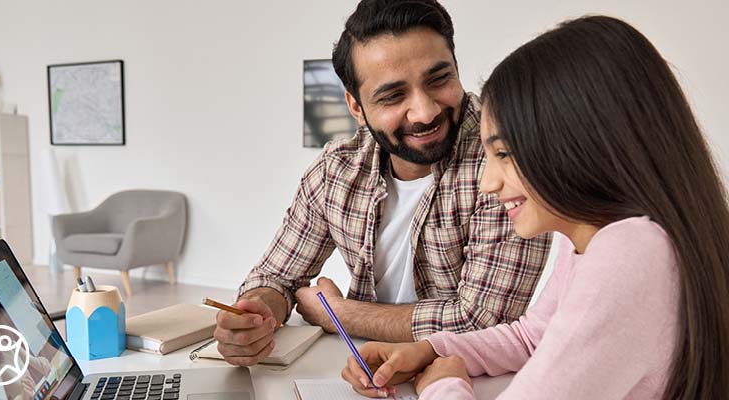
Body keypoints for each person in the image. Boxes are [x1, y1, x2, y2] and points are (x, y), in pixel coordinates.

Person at [340, 15, 729, 399]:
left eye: (505, 153)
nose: (488, 182)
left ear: (581, 142)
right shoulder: (591, 234)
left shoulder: (630, 253)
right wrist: (433, 351)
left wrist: (442, 384)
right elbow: (531, 336)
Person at [213, 0, 552, 367]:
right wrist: (256, 314)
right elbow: (276, 275)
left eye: (439, 79)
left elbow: (483, 320)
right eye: (393, 96)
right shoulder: (336, 170)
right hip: (365, 372)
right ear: (356, 107)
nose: (425, 112)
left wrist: (337, 314)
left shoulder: (504, 159)